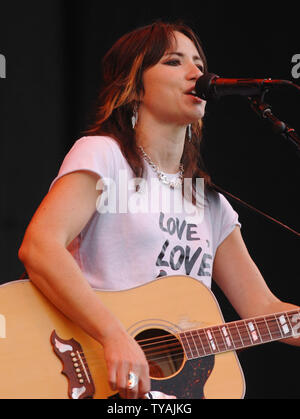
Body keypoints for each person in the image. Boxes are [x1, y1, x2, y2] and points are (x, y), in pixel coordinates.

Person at [18, 21, 300, 399]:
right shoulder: (105, 156)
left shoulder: (210, 202)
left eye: (199, 63)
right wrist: (114, 336)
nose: (197, 74)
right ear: (134, 87)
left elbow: (263, 308)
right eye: (173, 61)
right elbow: (40, 247)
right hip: (94, 378)